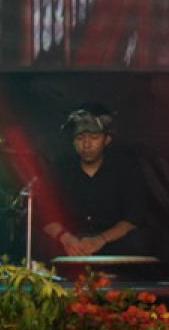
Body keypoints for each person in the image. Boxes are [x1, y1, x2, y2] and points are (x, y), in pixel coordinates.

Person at [39, 104, 154, 258]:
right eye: (80, 138)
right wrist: (66, 238)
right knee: (37, 241)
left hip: (110, 241)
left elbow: (134, 218)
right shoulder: (59, 169)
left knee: (140, 240)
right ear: (73, 141)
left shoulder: (126, 169)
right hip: (70, 240)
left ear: (106, 140)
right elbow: (45, 215)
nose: (86, 145)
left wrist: (101, 240)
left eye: (94, 138)